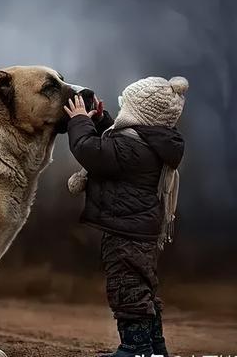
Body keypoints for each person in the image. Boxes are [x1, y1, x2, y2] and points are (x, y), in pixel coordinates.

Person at [64, 76, 188, 357]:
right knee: (142, 288)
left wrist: (79, 121)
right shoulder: (150, 141)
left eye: (125, 107)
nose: (121, 113)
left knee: (127, 288)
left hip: (125, 233)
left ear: (138, 114)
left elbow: (90, 150)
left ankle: (135, 349)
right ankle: (154, 348)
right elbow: (116, 142)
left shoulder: (133, 149)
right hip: (139, 230)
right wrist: (99, 120)